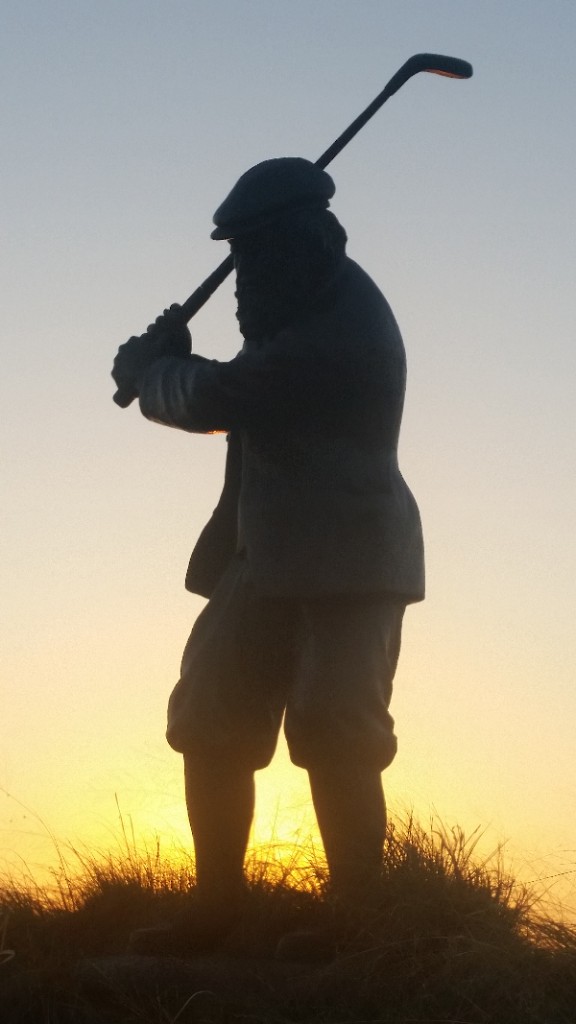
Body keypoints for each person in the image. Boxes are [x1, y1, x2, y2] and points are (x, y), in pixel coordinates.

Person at [112, 157, 424, 957]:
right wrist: (172, 364)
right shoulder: (300, 311)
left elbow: (225, 396)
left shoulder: (337, 330)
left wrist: (153, 372)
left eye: (255, 256)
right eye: (237, 257)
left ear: (301, 246)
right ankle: (216, 909)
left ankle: (356, 920)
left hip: (351, 555)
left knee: (336, 727)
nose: (242, 279)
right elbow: (236, 384)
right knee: (211, 712)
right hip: (271, 552)